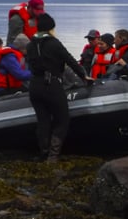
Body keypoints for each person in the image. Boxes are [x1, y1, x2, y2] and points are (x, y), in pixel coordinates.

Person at [26, 13, 92, 162]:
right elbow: (70, 60)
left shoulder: (30, 45)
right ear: (50, 28)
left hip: (35, 86)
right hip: (52, 84)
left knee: (43, 121)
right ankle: (53, 156)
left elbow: (30, 65)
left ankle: (43, 152)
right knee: (62, 119)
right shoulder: (54, 43)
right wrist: (83, 76)